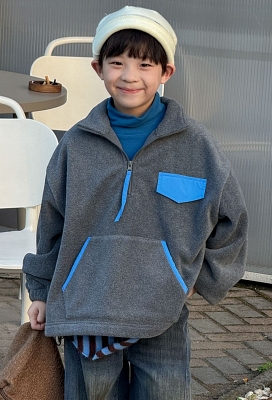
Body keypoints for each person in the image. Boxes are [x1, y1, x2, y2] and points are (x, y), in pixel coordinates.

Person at [23, 5, 248, 400]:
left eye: (145, 64)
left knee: (164, 393)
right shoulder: (76, 144)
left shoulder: (197, 146)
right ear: (98, 69)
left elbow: (232, 220)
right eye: (117, 63)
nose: (129, 75)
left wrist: (198, 278)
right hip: (86, 307)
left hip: (162, 310)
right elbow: (52, 222)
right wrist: (41, 290)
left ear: (166, 72)